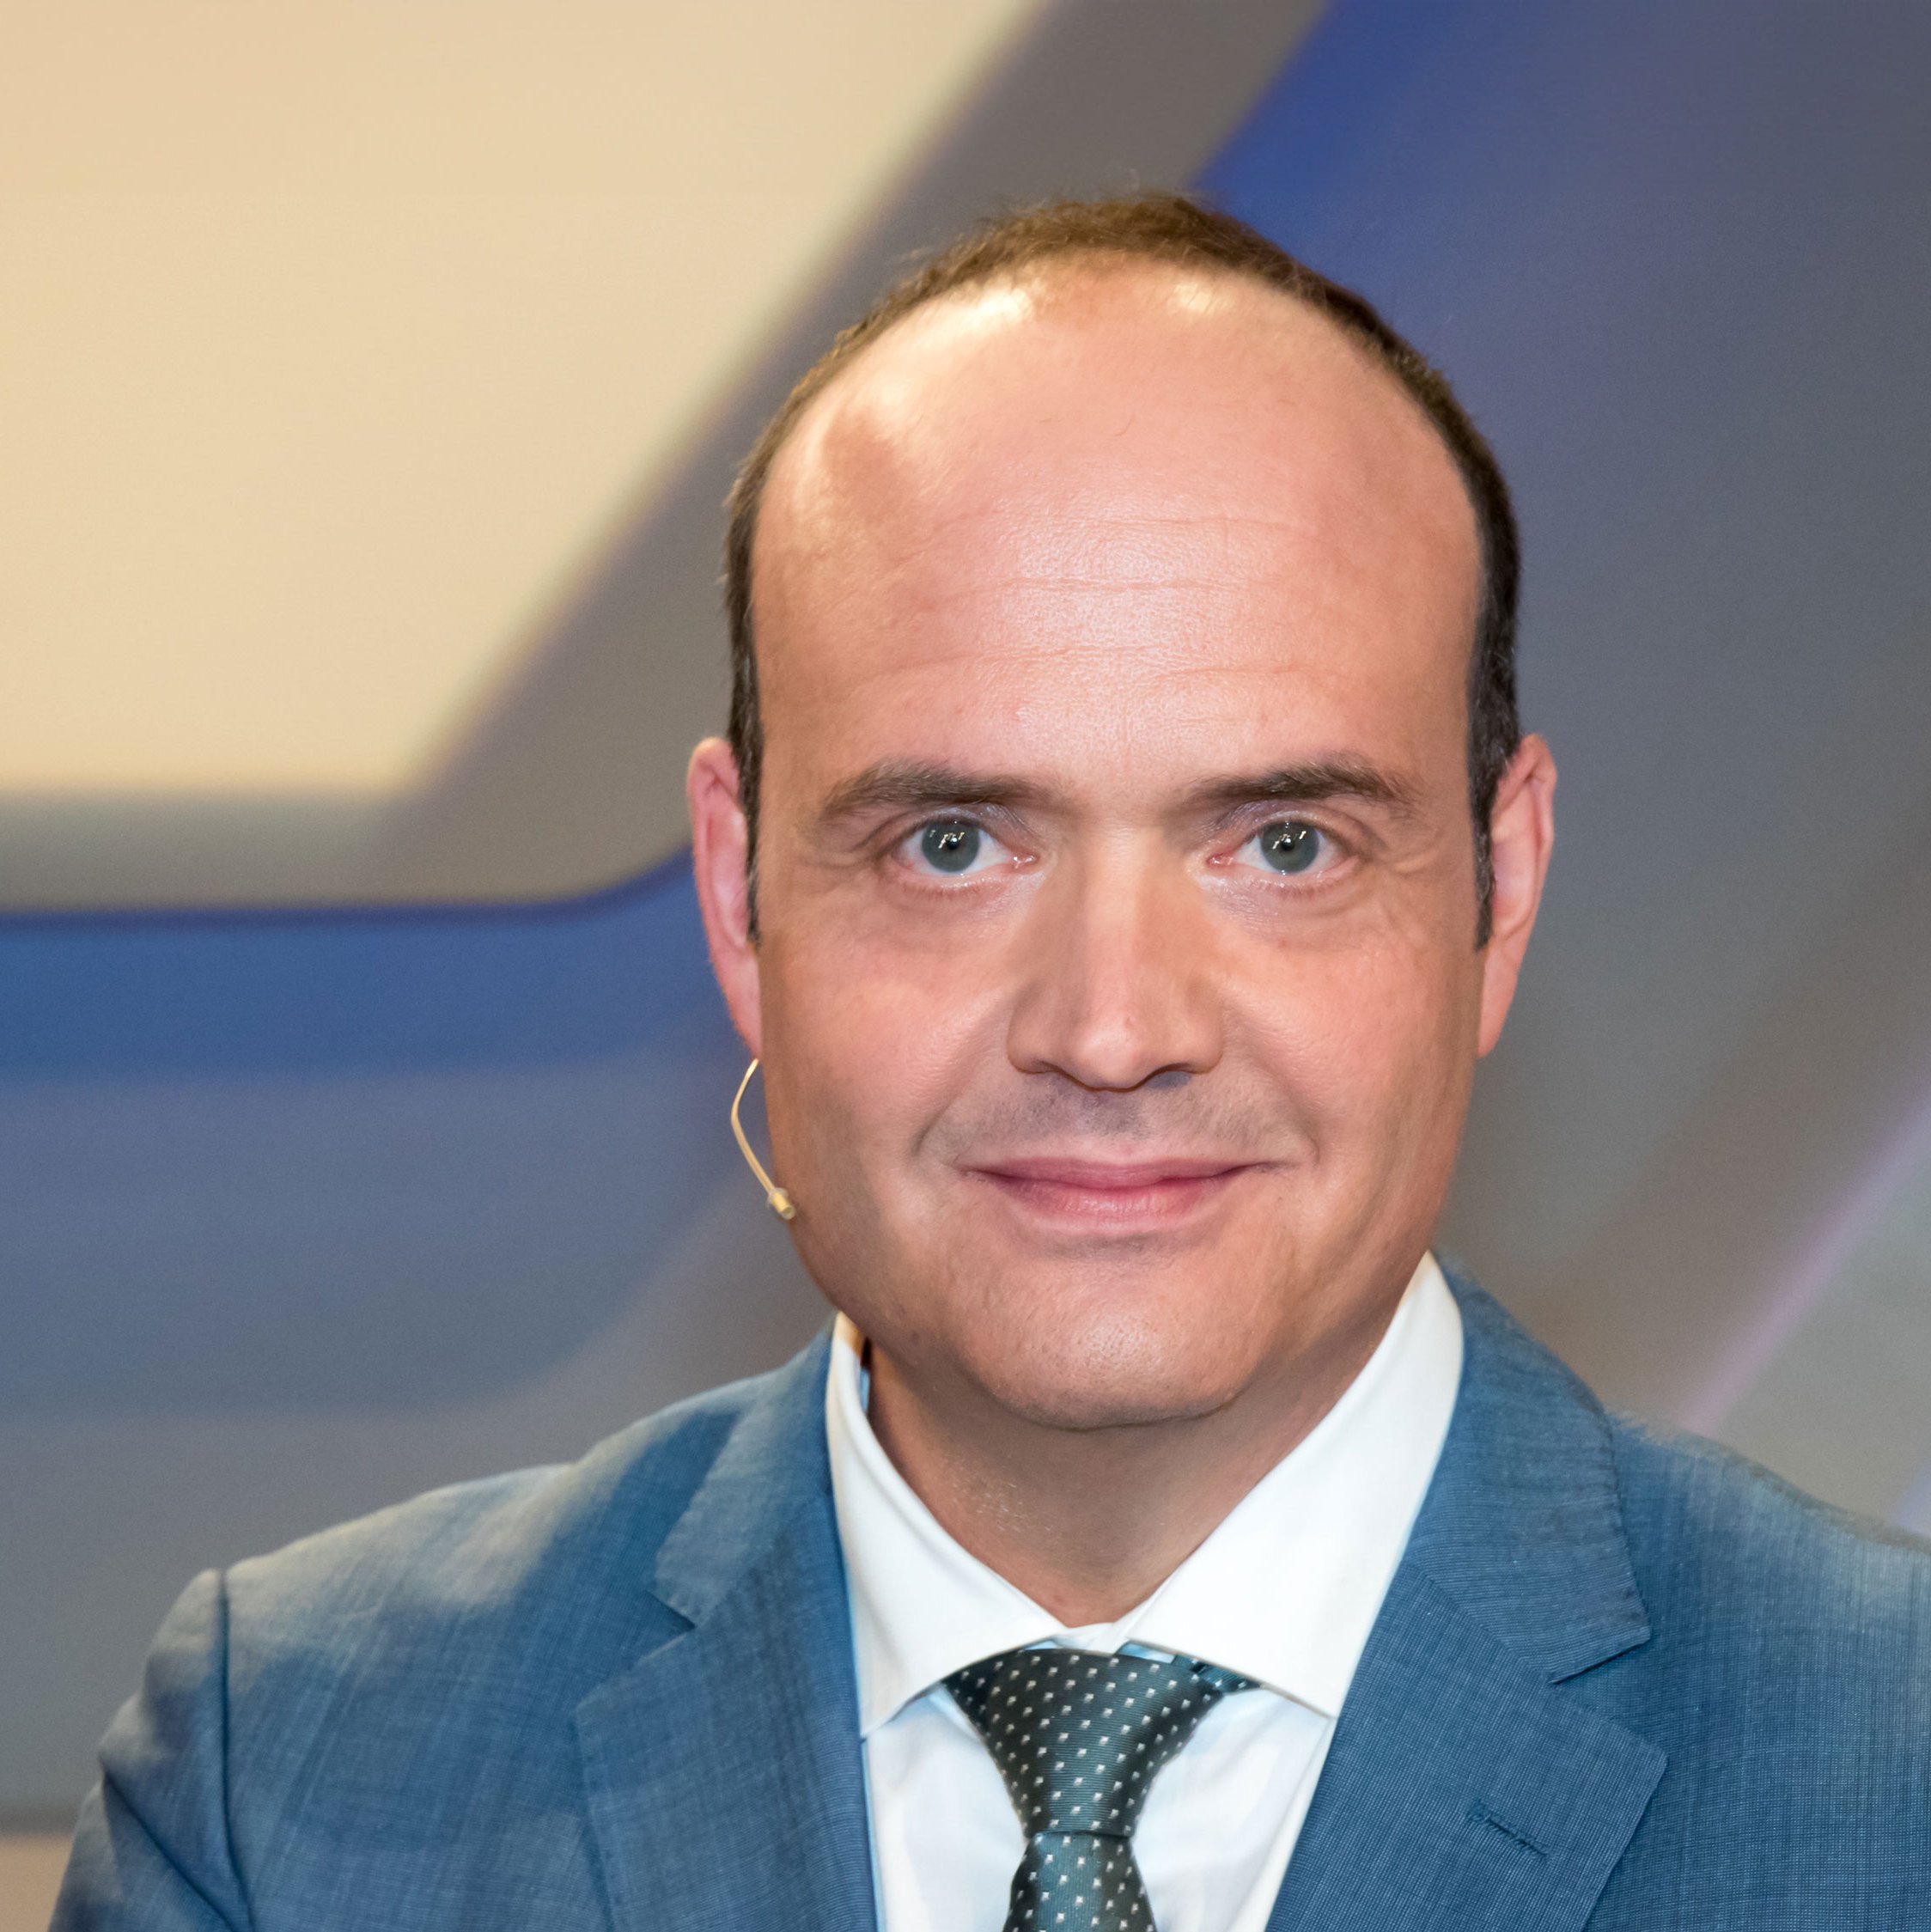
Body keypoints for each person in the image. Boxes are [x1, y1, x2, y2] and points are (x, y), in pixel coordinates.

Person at [56, 194, 1931, 1932]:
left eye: (1280, 843)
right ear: (737, 897)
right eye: (952, 843)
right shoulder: (287, 1790)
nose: (1110, 1031)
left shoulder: (1891, 1772)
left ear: (1498, 891)